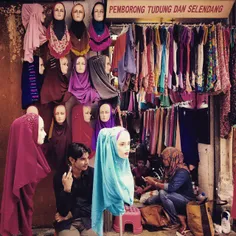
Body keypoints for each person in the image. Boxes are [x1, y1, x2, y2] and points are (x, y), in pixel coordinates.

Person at [0, 113, 50, 236]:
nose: (44, 133)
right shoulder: (26, 164)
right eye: (41, 129)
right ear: (29, 132)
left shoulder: (34, 153)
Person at [92, 126, 134, 236]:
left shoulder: (125, 165)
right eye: (122, 144)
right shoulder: (109, 174)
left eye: (128, 143)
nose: (127, 148)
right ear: (112, 146)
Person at [144, 147, 195, 234]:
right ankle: (170, 214)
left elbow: (171, 187)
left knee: (163, 194)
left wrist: (154, 183)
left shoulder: (182, 171)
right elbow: (165, 183)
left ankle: (175, 221)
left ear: (172, 159)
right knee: (149, 201)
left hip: (185, 200)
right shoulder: (172, 169)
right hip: (174, 196)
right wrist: (154, 180)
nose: (163, 161)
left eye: (165, 159)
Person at [53, 142, 96, 236]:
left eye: (87, 158)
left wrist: (72, 213)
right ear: (72, 160)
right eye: (83, 159)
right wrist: (67, 190)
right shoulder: (60, 176)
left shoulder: (92, 174)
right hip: (67, 222)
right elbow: (62, 212)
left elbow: (95, 206)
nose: (87, 162)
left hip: (87, 220)